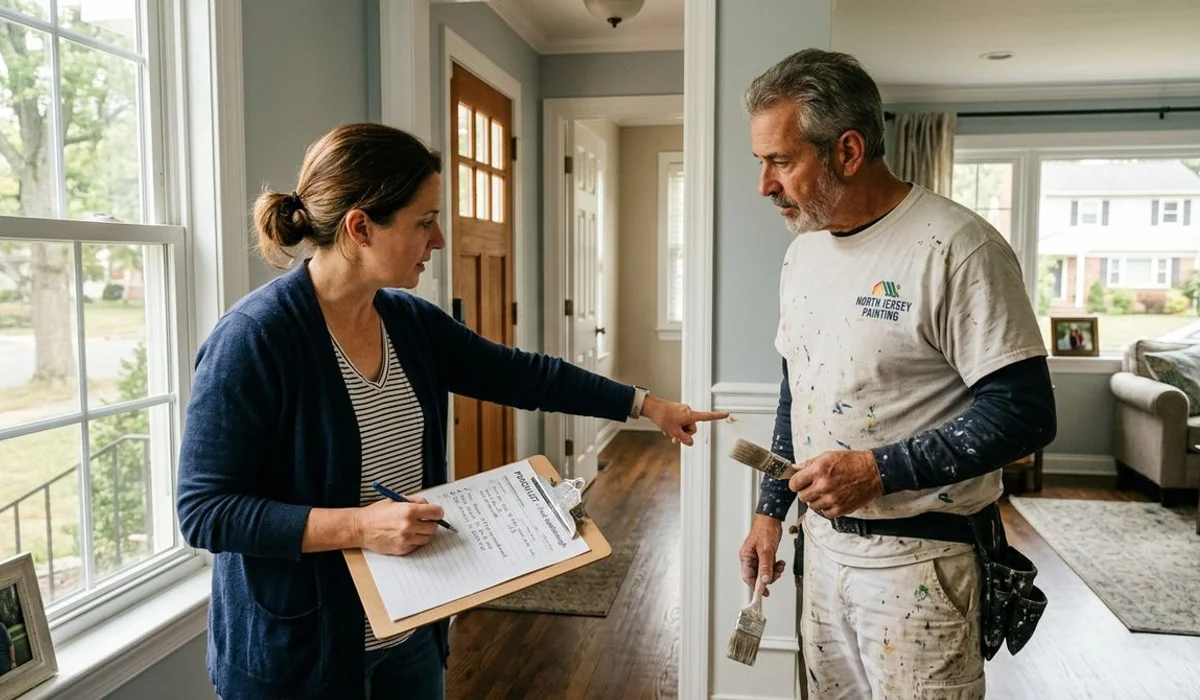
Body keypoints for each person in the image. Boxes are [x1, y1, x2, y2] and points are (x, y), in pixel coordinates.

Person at [175, 122, 728, 700]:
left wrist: (645, 405)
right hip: (299, 654)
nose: (439, 240)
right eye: (423, 221)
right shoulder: (254, 339)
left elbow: (524, 374)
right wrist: (362, 526)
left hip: (411, 631)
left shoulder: (409, 323)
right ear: (361, 226)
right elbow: (205, 510)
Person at [736, 49, 1056, 698]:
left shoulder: (957, 247)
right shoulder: (801, 256)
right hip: (820, 554)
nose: (764, 186)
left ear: (848, 152)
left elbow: (1025, 413)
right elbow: (796, 388)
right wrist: (771, 512)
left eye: (781, 161)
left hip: (924, 565)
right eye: (761, 162)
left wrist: (877, 471)